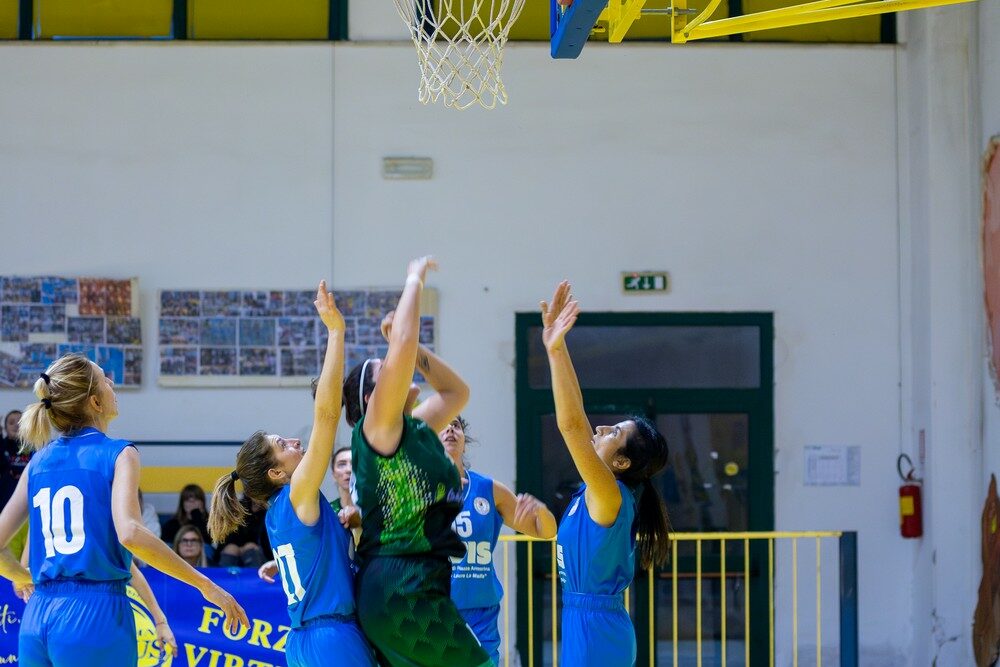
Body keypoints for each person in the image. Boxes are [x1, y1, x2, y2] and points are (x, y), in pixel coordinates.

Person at [0, 353, 246, 667]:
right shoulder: (119, 453)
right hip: (95, 616)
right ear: (95, 402)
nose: (113, 384)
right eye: (105, 379)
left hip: (37, 618)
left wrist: (25, 576)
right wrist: (206, 585)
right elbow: (130, 533)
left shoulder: (37, 463)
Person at [208, 281, 376, 667]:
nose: (294, 442)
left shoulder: (278, 513)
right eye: (283, 445)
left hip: (303, 642)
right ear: (277, 473)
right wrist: (336, 331)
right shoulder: (298, 493)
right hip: (329, 638)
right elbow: (328, 416)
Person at [342, 257, 491, 667]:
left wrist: (412, 348)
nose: (394, 362)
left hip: (415, 582)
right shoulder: (377, 429)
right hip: (399, 586)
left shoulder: (412, 428)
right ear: (371, 400)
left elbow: (456, 392)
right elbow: (403, 346)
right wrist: (414, 278)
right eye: (385, 367)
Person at [540, 281, 672, 667]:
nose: (600, 429)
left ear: (622, 463)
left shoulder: (609, 494)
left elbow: (572, 427)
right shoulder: (595, 492)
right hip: (587, 622)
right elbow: (578, 416)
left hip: (597, 630)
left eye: (614, 432)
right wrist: (556, 348)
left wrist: (556, 350)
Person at [439, 416, 557, 665]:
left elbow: (545, 531)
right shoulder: (417, 490)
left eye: (457, 425)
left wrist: (541, 511)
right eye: (443, 424)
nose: (450, 428)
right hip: (435, 611)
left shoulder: (489, 489)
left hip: (480, 614)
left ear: (465, 443)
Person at [0, 409, 28, 508]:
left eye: (20, 422)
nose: (16, 425)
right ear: (5, 428)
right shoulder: (2, 445)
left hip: (27, 501)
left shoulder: (34, 447)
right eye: (11, 422)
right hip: (5, 501)